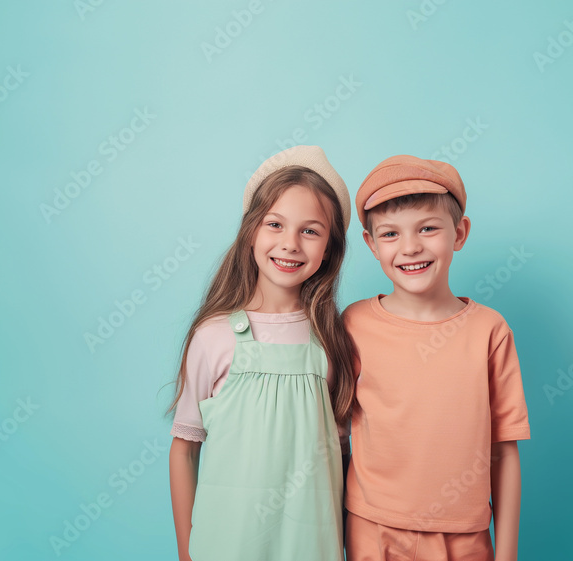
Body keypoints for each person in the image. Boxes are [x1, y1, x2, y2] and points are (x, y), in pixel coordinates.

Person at [166, 145, 355, 561]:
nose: (290, 244)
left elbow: (340, 456)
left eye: (310, 230)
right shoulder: (214, 337)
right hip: (227, 546)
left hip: (311, 546)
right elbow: (184, 449)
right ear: (252, 230)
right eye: (275, 224)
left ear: (330, 249)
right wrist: (187, 551)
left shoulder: (331, 340)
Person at [343, 155, 531, 561]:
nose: (410, 247)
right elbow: (333, 433)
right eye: (390, 234)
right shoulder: (354, 323)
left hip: (463, 539)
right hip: (371, 529)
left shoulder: (489, 330)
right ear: (371, 243)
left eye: (427, 228)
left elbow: (504, 449)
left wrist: (508, 553)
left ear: (459, 232)